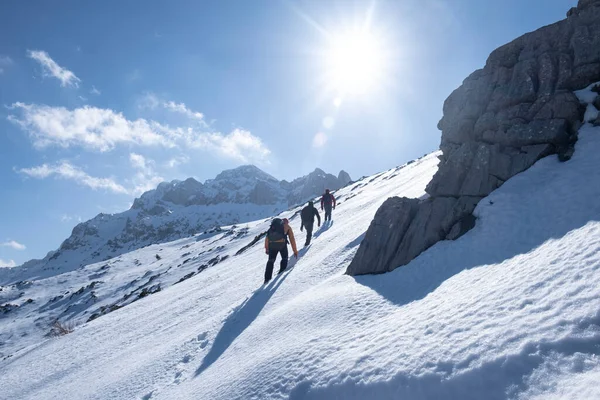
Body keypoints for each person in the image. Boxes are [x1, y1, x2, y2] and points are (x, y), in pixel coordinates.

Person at [264, 218, 298, 284]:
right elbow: (292, 239)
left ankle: (267, 278)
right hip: (282, 245)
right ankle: (281, 272)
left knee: (271, 261)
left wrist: (267, 249)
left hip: (272, 246)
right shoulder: (287, 227)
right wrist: (295, 251)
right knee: (284, 258)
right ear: (286, 222)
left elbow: (267, 238)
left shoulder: (272, 227)